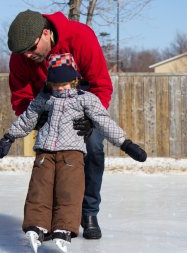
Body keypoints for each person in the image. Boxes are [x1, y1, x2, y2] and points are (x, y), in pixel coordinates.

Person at [0, 53, 147, 253]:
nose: (59, 89)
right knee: (39, 190)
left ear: (74, 80)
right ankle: (37, 226)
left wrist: (126, 144)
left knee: (69, 192)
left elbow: (104, 122)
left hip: (72, 155)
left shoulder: (86, 100)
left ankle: (63, 229)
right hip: (45, 152)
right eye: (55, 84)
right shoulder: (44, 98)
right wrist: (9, 137)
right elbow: (27, 119)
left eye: (64, 84)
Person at [7, 9, 114, 240]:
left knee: (93, 147)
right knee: (48, 160)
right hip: (45, 102)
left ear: (46, 33)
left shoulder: (80, 36)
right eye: (23, 52)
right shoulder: (21, 56)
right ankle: (47, 220)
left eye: (32, 49)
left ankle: (88, 213)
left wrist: (90, 119)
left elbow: (101, 84)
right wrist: (35, 118)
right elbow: (19, 93)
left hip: (83, 99)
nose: (27, 56)